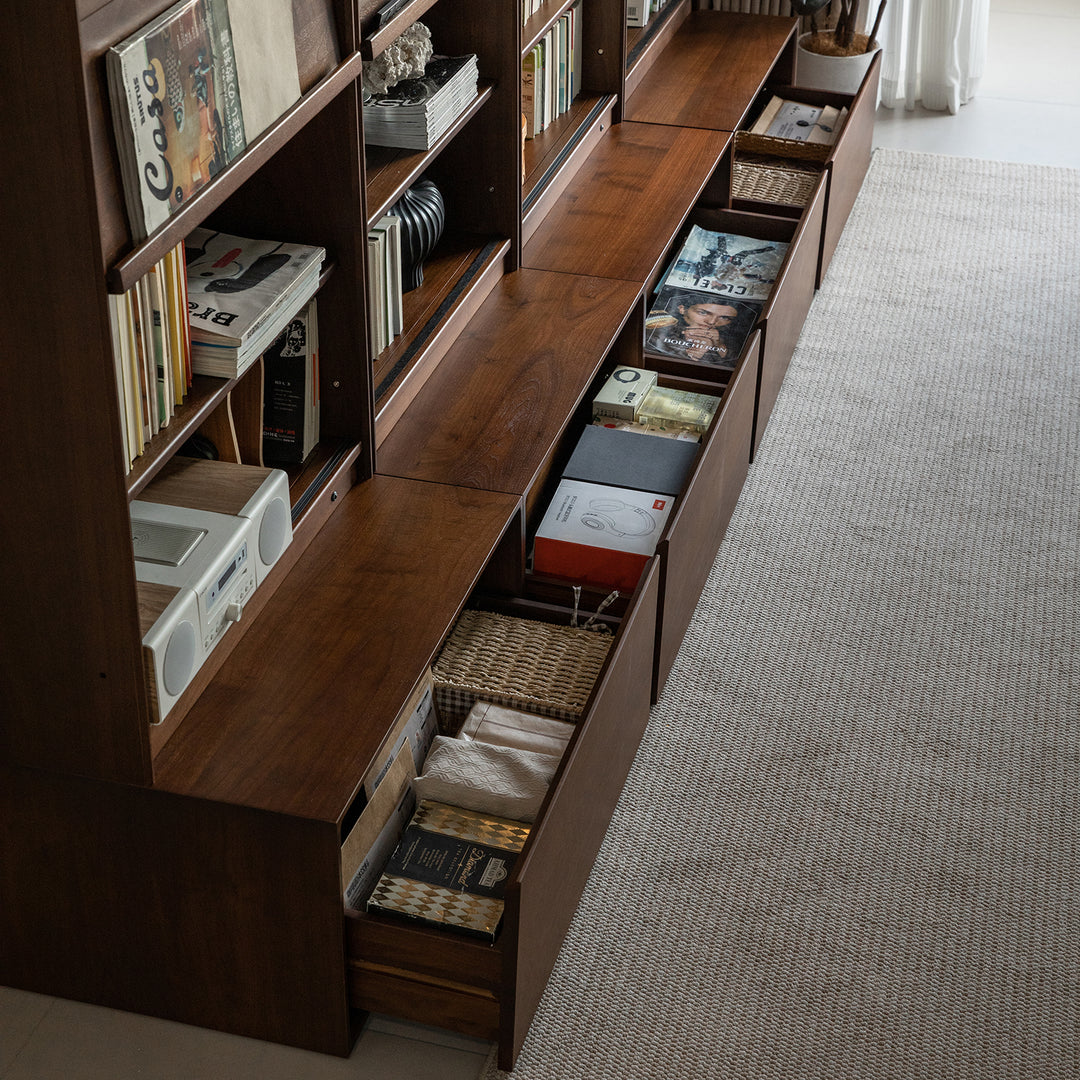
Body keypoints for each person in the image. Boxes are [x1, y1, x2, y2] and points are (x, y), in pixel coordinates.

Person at [645, 290, 758, 365]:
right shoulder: (657, 327)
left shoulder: (734, 339)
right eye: (703, 313)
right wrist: (689, 352)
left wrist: (718, 346)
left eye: (724, 318)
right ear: (682, 309)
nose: (712, 322)